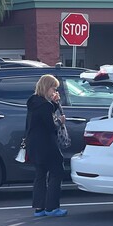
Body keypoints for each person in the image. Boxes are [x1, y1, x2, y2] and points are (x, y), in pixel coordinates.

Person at [25, 74, 68, 217]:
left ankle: (39, 207)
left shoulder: (33, 102)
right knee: (57, 171)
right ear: (47, 87)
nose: (55, 92)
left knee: (40, 175)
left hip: (34, 145)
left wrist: (54, 103)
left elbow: (41, 118)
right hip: (47, 144)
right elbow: (51, 126)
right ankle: (52, 207)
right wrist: (61, 121)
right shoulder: (45, 105)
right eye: (54, 88)